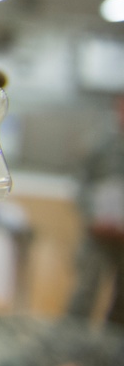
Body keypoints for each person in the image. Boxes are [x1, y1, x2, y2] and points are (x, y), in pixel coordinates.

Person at [67, 96, 124, 327]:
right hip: (98, 233)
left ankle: (113, 353)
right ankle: (67, 342)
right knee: (86, 289)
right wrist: (93, 216)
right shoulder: (99, 145)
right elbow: (79, 185)